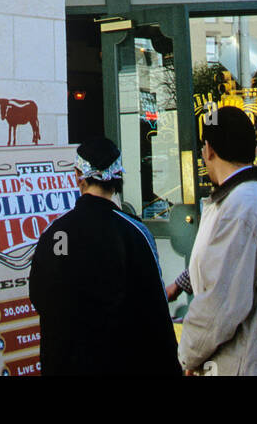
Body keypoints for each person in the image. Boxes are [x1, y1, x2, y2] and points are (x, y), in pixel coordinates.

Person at [28, 136, 181, 377]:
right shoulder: (134, 233)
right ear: (118, 177)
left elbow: (41, 297)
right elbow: (156, 312)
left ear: (77, 175)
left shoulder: (58, 234)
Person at [178, 106, 257, 375]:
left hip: (245, 365)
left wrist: (187, 355)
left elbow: (219, 306)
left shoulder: (240, 208)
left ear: (209, 150)